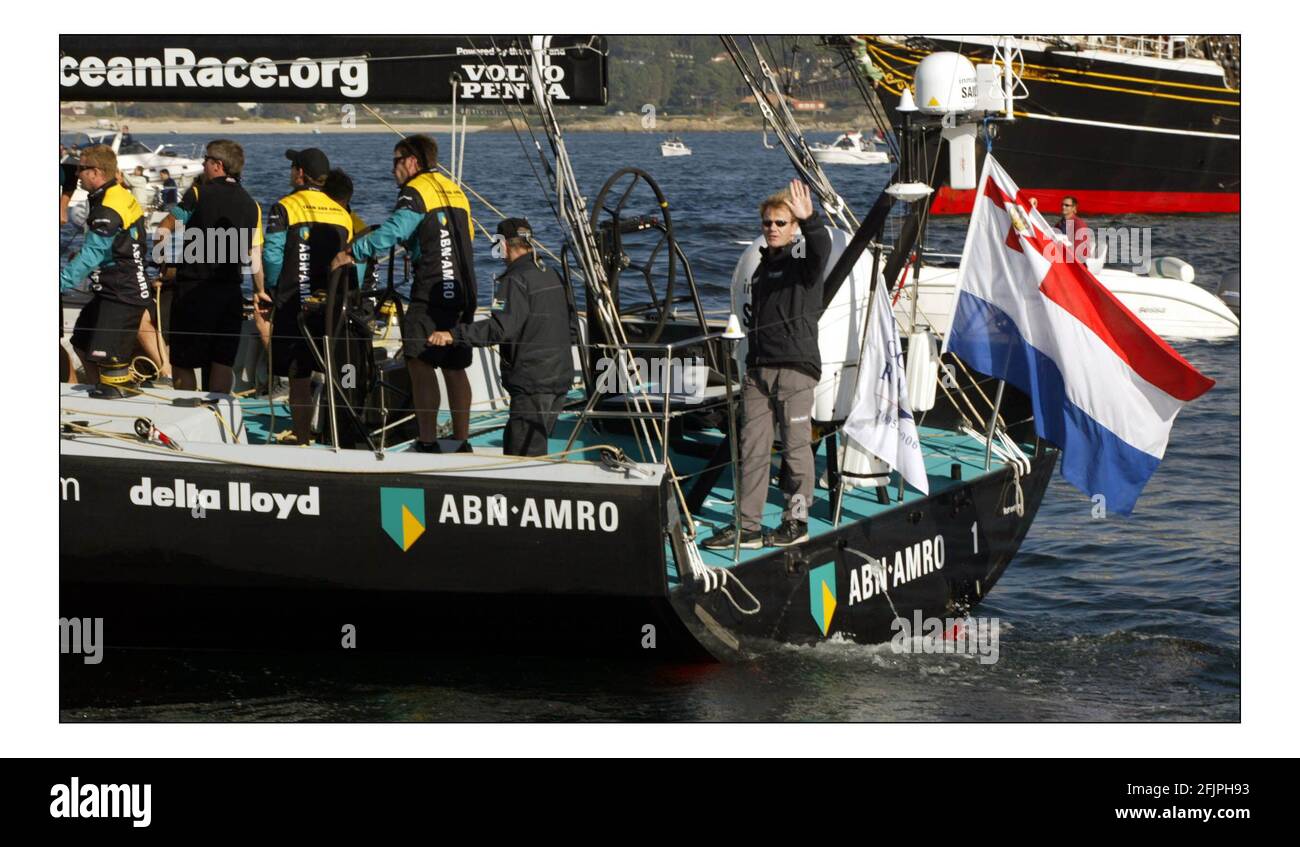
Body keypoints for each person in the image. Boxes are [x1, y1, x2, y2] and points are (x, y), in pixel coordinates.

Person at [704, 180, 830, 550]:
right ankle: (749, 527)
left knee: (794, 449)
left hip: (794, 370)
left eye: (780, 223)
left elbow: (821, 249)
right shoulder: (760, 270)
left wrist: (812, 220)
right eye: (767, 223)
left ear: (793, 228)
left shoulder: (803, 263)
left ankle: (796, 520)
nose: (772, 229)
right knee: (752, 448)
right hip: (758, 370)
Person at [338, 134, 477, 453]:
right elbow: (465, 236)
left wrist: (353, 251)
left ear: (413, 162)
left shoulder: (415, 191)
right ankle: (461, 439)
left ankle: (427, 440)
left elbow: (393, 231)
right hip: (464, 288)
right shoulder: (455, 190)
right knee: (456, 365)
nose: (393, 170)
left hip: (432, 290)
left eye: (396, 161)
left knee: (419, 360)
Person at [429, 218, 575, 456]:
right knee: (526, 441)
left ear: (503, 244)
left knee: (523, 457)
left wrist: (453, 335)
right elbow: (571, 327)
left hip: (532, 382)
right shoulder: (552, 274)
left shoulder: (514, 280)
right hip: (559, 377)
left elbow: (499, 329)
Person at [155, 139, 263, 393]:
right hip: (230, 293)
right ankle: (216, 417)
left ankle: (186, 417)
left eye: (205, 160)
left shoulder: (197, 193)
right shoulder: (252, 205)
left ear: (217, 165)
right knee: (221, 363)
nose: (202, 164)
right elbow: (255, 253)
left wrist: (163, 265)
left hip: (195, 290)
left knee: (182, 363)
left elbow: (163, 229)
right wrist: (260, 291)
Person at [263, 148, 354, 444]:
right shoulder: (343, 213)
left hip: (294, 305)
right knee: (330, 369)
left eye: (292, 167)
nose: (290, 172)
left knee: (298, 376)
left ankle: (302, 437)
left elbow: (272, 255)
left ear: (300, 173)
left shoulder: (285, 206)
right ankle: (334, 436)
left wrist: (275, 292)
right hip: (331, 307)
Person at [58, 145, 152, 388]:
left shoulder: (108, 206)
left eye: (81, 168)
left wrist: (60, 282)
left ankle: (113, 400)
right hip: (112, 288)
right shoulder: (115, 193)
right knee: (81, 341)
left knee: (110, 363)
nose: (77, 173)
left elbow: (92, 254)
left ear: (96, 172)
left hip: (122, 292)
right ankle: (95, 392)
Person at [1053, 195, 1091, 260]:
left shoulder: (1079, 224)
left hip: (1078, 261)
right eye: (1062, 204)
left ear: (1074, 208)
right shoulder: (1059, 224)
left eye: (1067, 205)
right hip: (1063, 256)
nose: (1063, 207)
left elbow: (1079, 247)